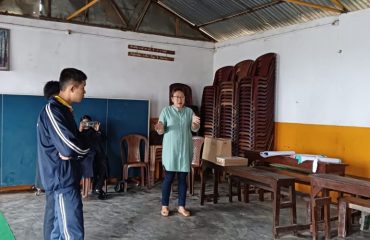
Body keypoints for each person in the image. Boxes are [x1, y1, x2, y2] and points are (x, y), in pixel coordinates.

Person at [37, 68, 89, 240]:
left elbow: (70, 147)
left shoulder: (65, 110)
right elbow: (69, 147)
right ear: (72, 88)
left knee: (59, 231)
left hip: (67, 176)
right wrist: (81, 150)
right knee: (72, 232)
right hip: (62, 180)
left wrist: (74, 150)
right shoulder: (53, 110)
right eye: (83, 87)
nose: (85, 91)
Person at [155, 88, 200, 217]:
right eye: (177, 97)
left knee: (182, 180)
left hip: (185, 150)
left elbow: (194, 128)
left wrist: (196, 125)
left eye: (182, 97)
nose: (180, 100)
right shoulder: (166, 111)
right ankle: (164, 206)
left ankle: (181, 206)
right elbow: (160, 129)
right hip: (171, 151)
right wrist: (159, 127)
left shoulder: (189, 111)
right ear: (172, 99)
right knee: (168, 179)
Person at [35, 80, 60, 240]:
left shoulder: (46, 112)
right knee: (52, 210)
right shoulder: (52, 112)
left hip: (50, 169)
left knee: (54, 210)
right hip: (54, 170)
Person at [79, 114, 108, 200]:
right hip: (86, 156)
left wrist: (98, 131)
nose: (86, 124)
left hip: (98, 155)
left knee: (104, 165)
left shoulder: (94, 131)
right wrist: (80, 130)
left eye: (88, 122)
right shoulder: (79, 133)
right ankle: (97, 188)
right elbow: (76, 143)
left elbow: (103, 139)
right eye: (84, 123)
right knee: (94, 166)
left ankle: (98, 187)